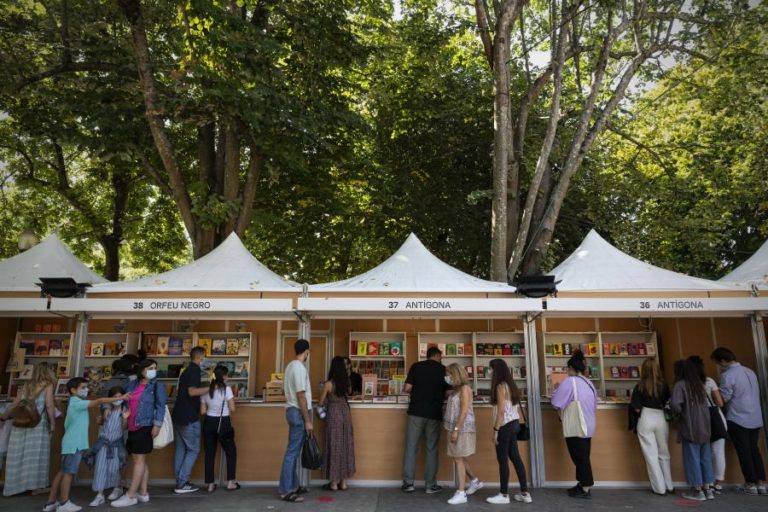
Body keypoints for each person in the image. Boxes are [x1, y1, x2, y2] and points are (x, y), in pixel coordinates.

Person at [45, 378, 128, 512]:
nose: (86, 390)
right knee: (68, 474)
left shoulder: (77, 403)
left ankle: (51, 503)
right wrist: (122, 397)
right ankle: (64, 503)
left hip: (71, 443)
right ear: (73, 390)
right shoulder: (76, 402)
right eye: (83, 387)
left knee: (62, 472)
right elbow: (99, 401)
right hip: (74, 444)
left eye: (86, 387)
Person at [111, 359, 167, 508]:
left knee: (139, 460)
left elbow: (161, 407)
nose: (153, 370)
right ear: (142, 370)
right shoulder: (131, 384)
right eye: (150, 368)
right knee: (138, 460)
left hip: (146, 425)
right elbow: (123, 400)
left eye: (155, 368)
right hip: (132, 425)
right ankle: (143, 493)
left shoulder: (157, 386)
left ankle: (130, 495)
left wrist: (157, 425)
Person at [711, 347, 766, 495]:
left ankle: (750, 483)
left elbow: (724, 398)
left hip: (738, 418)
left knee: (744, 452)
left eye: (717, 362)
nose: (718, 365)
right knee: (754, 450)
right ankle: (761, 483)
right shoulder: (750, 371)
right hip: (755, 416)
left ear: (722, 360)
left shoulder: (727, 375)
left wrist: (713, 392)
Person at [0, 363, 57, 497]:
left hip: (20, 424)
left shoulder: (26, 385)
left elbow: (15, 404)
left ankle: (14, 487)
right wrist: (53, 423)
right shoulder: (48, 385)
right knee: (36, 456)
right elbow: (49, 405)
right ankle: (35, 487)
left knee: (18, 455)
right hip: (37, 425)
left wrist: (3, 418)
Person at [551, 350, 598, 499]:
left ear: (571, 368)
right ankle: (582, 483)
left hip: (577, 424)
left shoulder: (570, 381)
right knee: (583, 454)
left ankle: (586, 487)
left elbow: (556, 401)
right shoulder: (588, 382)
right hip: (588, 424)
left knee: (579, 457)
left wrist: (554, 391)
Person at [401, 347, 449, 494]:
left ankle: (408, 484)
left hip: (416, 412)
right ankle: (430, 485)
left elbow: (407, 388)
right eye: (441, 357)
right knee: (432, 449)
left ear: (427, 356)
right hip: (434, 414)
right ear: (438, 355)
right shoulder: (444, 370)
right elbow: (448, 393)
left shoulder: (416, 366)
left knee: (411, 447)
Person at [486, 358, 531, 505]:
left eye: (491, 369)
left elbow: (500, 412)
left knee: (502, 460)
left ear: (496, 370)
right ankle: (525, 493)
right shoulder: (511, 384)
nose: (490, 372)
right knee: (516, 458)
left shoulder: (500, 386)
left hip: (504, 426)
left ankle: (504, 494)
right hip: (515, 424)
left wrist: (495, 430)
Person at [671, 358, 714, 501]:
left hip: (690, 427)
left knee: (692, 459)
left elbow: (676, 405)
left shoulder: (680, 385)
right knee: (705, 458)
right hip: (705, 427)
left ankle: (697, 491)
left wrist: (674, 414)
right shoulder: (699, 385)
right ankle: (708, 489)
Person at [631, 358, 673, 495]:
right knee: (664, 453)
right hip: (661, 418)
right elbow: (668, 401)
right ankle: (669, 485)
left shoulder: (640, 386)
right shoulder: (664, 385)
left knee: (651, 454)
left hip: (646, 417)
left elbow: (636, 408)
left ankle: (659, 488)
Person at [171, 346, 209, 494]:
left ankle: (180, 482)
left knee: (181, 449)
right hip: (189, 417)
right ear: (200, 358)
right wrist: (210, 388)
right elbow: (192, 391)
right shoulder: (194, 371)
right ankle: (182, 483)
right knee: (193, 449)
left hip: (179, 415)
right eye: (205, 357)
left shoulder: (186, 371)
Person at [278, 339, 313, 503]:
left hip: (292, 411)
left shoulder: (290, 366)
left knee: (293, 450)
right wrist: (307, 420)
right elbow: (301, 395)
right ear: (306, 351)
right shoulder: (299, 368)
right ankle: (286, 490)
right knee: (292, 453)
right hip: (298, 412)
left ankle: (294, 485)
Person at [443, 363, 482, 505]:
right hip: (455, 427)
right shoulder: (456, 390)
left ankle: (461, 493)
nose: (447, 377)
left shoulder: (465, 389)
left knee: (458, 459)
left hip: (462, 429)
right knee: (460, 458)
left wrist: (456, 430)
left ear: (456, 374)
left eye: (449, 374)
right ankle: (475, 481)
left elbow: (464, 411)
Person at [688, 355, 727, 493]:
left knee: (704, 452)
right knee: (718, 452)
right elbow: (720, 402)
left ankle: (706, 483)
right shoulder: (709, 381)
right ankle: (718, 483)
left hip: (698, 420)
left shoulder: (687, 384)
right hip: (716, 418)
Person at [87, 386, 129, 506]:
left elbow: (124, 428)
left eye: (119, 396)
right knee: (100, 468)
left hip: (116, 445)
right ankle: (99, 495)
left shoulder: (125, 410)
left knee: (114, 469)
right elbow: (102, 424)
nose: (117, 399)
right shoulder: (106, 409)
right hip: (103, 445)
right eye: (114, 397)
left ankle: (118, 488)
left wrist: (125, 419)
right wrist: (100, 420)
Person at [318, 356, 356, 491]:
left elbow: (321, 402)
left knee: (334, 446)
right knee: (345, 445)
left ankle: (333, 483)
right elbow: (349, 393)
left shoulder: (329, 384)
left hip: (333, 414)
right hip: (345, 414)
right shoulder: (347, 383)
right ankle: (343, 482)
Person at [201, 365, 239, 492]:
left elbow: (202, 411)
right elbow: (232, 408)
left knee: (209, 454)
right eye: (226, 375)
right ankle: (230, 483)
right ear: (223, 377)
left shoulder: (205, 390)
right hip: (224, 422)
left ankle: (210, 485)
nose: (227, 377)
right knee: (231, 452)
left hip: (209, 423)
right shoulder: (227, 389)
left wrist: (212, 409)